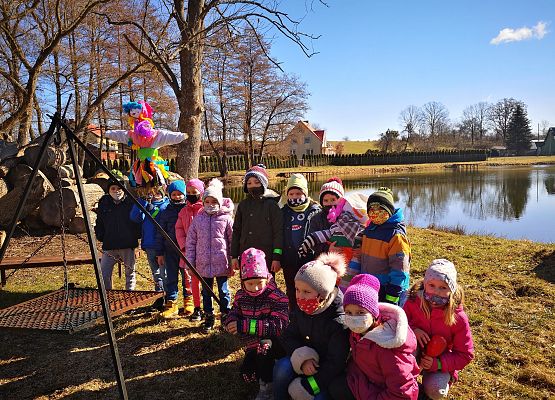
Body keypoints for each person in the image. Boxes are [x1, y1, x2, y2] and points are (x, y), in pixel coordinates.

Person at [273, 252, 351, 400]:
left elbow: (336, 363)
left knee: (318, 397)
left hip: (324, 374)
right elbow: (288, 335)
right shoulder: (302, 307)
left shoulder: (338, 323)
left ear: (323, 294)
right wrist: (302, 358)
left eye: (307, 292)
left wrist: (310, 385)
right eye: (297, 289)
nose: (300, 296)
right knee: (282, 368)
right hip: (301, 363)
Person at [403, 259, 474, 400]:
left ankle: (428, 390)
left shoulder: (458, 318)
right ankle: (407, 387)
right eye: (432, 285)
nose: (436, 292)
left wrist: (439, 363)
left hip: (439, 359)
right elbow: (399, 324)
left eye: (443, 288)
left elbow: (465, 354)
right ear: (425, 284)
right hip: (413, 352)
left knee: (436, 390)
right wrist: (413, 330)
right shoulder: (412, 302)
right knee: (399, 373)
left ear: (452, 289)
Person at [224, 248, 289, 400]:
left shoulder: (278, 298)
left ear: (267, 277)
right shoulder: (241, 296)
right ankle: (257, 369)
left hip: (276, 344)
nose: (256, 288)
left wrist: (244, 326)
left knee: (264, 351)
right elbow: (235, 311)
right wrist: (230, 321)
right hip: (252, 344)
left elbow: (277, 326)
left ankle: (267, 387)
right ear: (242, 281)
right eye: (250, 283)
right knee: (246, 373)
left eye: (260, 282)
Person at [342, 274, 420, 400]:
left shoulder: (387, 346)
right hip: (367, 383)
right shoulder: (359, 332)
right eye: (349, 313)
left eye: (361, 312)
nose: (354, 318)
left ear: (373, 313)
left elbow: (403, 390)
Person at [185, 178, 234, 332]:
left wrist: (233, 261)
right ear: (203, 202)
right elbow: (191, 243)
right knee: (206, 292)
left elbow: (232, 241)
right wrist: (190, 264)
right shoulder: (198, 220)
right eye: (207, 201)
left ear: (219, 202)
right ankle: (209, 316)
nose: (210, 204)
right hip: (203, 264)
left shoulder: (226, 219)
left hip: (222, 263)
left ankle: (226, 314)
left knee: (223, 291)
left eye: (214, 201)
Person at [359, 187, 411, 306]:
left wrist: (391, 298)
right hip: (369, 286)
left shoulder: (396, 237)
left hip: (387, 290)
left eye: (380, 209)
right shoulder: (369, 230)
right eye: (371, 209)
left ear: (389, 210)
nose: (375, 213)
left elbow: (400, 270)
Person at [231, 164, 283, 275]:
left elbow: (278, 233)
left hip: (267, 255)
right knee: (247, 283)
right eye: (249, 183)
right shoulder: (242, 205)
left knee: (267, 285)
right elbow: (236, 231)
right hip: (245, 253)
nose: (253, 186)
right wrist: (234, 256)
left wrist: (276, 257)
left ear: (263, 184)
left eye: (257, 182)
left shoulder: (272, 206)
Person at [155, 180, 192, 318]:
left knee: (187, 277)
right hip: (169, 250)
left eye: (180, 194)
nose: (177, 197)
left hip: (186, 251)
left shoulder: (188, 209)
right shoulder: (165, 211)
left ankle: (189, 300)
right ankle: (172, 303)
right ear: (170, 195)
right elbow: (160, 233)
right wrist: (159, 252)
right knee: (170, 277)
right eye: (174, 194)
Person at [94, 178, 141, 290]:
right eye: (113, 188)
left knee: (130, 272)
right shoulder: (104, 203)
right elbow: (99, 221)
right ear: (109, 190)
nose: (116, 191)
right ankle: (107, 295)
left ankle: (130, 294)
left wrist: (137, 238)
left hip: (128, 243)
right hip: (110, 243)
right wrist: (100, 235)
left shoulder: (130, 202)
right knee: (104, 272)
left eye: (119, 188)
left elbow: (137, 222)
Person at [281, 173, 320, 306]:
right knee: (292, 288)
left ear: (305, 193)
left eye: (298, 193)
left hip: (309, 257)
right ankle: (293, 314)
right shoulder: (284, 211)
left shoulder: (314, 210)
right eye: (291, 194)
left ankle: (309, 310)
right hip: (289, 259)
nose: (295, 197)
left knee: (309, 287)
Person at [129, 186, 169, 308]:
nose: (154, 194)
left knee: (164, 273)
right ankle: (159, 296)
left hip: (162, 245)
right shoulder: (145, 204)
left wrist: (155, 209)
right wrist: (142, 202)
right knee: (155, 273)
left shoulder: (166, 205)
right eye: (151, 192)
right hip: (149, 244)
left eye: (157, 192)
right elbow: (134, 217)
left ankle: (168, 297)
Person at [175, 178, 205, 320]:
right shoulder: (183, 211)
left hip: (205, 251)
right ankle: (197, 306)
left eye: (194, 192)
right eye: (188, 192)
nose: (191, 194)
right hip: (189, 252)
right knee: (192, 281)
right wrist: (184, 245)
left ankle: (208, 306)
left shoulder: (205, 210)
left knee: (206, 281)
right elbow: (179, 228)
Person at [306, 177, 345, 258]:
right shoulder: (316, 218)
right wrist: (327, 249)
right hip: (322, 259)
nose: (329, 203)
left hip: (345, 257)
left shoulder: (347, 216)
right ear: (321, 202)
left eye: (333, 199)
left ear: (341, 200)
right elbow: (312, 242)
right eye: (325, 200)